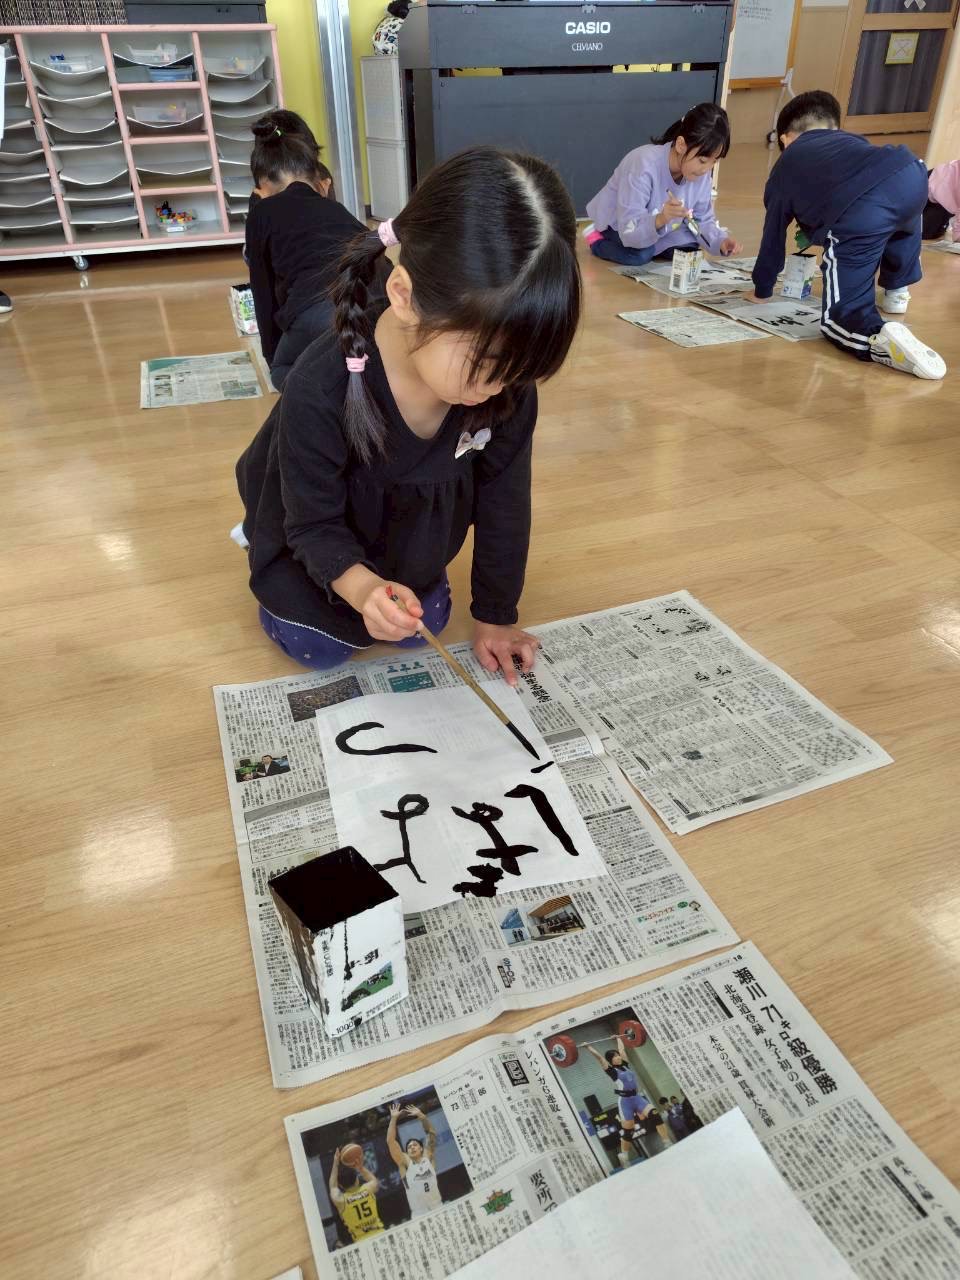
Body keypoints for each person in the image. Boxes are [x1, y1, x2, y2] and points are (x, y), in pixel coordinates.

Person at [235, 145, 581, 681]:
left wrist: (495, 617)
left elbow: (505, 502)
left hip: (405, 543)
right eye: (485, 364)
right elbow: (313, 522)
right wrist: (363, 588)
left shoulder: (505, 387)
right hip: (317, 534)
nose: (498, 388)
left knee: (427, 622)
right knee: (319, 646)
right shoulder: (321, 385)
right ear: (403, 295)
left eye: (518, 370)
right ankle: (261, 543)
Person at [748, 90, 945, 380]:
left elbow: (773, 236)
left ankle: (876, 338)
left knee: (838, 317)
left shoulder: (786, 164)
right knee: (899, 223)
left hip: (864, 205)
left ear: (785, 139)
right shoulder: (851, 142)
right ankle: (896, 293)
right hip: (913, 172)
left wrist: (761, 290)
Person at [245, 108, 366, 389]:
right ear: (322, 184)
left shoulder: (262, 212)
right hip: (375, 303)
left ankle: (330, 388)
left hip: (319, 313)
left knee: (282, 370)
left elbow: (264, 294)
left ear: (261, 190)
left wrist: (272, 356)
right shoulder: (339, 211)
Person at [583, 103, 742, 266]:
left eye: (714, 162)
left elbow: (702, 219)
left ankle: (655, 243)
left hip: (660, 226)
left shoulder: (700, 173)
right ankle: (596, 240)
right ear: (681, 145)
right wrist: (661, 219)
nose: (707, 169)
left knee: (689, 249)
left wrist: (720, 241)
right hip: (620, 223)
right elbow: (629, 226)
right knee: (641, 255)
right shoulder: (643, 165)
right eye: (702, 160)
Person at [586, 1037, 656, 1168]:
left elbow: (622, 1050)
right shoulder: (612, 1071)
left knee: (653, 1114)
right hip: (625, 1101)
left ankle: (664, 1140)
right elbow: (600, 1058)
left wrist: (618, 1037)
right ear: (610, 1060)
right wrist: (588, 1047)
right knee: (628, 1131)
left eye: (617, 1055)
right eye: (614, 1056)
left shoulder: (625, 1065)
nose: (618, 1057)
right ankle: (624, 1155)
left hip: (636, 1098)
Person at [387, 1102, 442, 1217]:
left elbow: (431, 1133)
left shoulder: (427, 1156)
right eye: (409, 1147)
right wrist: (393, 1118)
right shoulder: (405, 1162)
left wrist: (421, 1116)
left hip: (438, 1206)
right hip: (420, 1213)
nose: (412, 1147)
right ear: (407, 1152)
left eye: (415, 1145)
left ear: (421, 1148)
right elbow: (390, 1141)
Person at [328, 1146, 384, 1244]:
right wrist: (360, 1167)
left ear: (341, 1186)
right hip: (381, 1235)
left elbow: (333, 1186)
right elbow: (374, 1180)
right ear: (357, 1180)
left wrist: (335, 1162)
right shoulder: (368, 1189)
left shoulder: (341, 1200)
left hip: (362, 1242)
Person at [923, 159, 960, 242]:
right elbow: (957, 236)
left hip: (945, 196)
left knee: (935, 233)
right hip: (929, 187)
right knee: (922, 232)